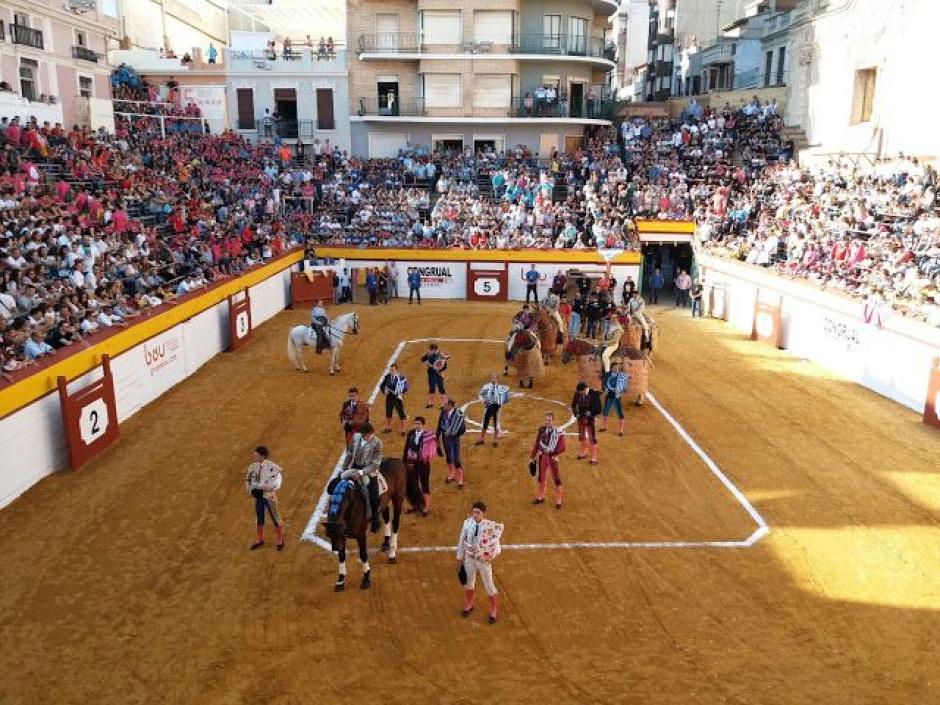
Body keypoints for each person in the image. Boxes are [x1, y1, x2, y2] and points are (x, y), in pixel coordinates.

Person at [456, 500, 503, 623]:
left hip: (483, 560)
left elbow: (496, 544)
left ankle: (493, 610)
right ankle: (469, 604)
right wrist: (459, 560)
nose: (475, 515)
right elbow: (461, 542)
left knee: (489, 585)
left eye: (478, 512)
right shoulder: (467, 524)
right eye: (474, 512)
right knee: (468, 583)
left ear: (483, 513)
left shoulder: (490, 527)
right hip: (470, 558)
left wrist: (493, 556)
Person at [339, 422, 383, 533]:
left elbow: (376, 464)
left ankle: (375, 520)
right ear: (362, 433)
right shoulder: (356, 437)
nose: (368, 437)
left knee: (374, 497)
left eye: (369, 435)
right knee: (340, 487)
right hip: (355, 466)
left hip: (369, 471)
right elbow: (349, 453)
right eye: (366, 435)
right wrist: (343, 468)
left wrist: (362, 472)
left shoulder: (377, 443)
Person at [244, 446, 284, 551]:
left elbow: (277, 481)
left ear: (262, 456)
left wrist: (268, 488)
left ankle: (279, 540)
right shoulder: (252, 467)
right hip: (259, 497)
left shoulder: (272, 467)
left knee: (275, 518)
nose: (254, 456)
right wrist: (251, 490)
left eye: (256, 455)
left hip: (269, 496)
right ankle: (260, 539)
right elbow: (248, 480)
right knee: (259, 518)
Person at [529, 411, 566, 508]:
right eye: (546, 420)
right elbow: (537, 443)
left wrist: (554, 453)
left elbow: (563, 447)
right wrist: (532, 457)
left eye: (549, 420)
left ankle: (558, 501)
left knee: (556, 478)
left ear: (553, 421)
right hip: (543, 456)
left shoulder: (558, 433)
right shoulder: (542, 430)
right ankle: (541, 497)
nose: (547, 422)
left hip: (552, 457)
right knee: (541, 476)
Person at [403, 415, 436, 516]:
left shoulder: (428, 436)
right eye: (415, 423)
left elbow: (430, 451)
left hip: (424, 464)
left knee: (425, 484)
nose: (417, 426)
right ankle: (416, 505)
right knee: (413, 484)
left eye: (419, 424)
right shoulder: (411, 434)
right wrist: (404, 461)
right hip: (412, 463)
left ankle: (425, 507)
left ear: (423, 425)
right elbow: (406, 448)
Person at [437, 397, 466, 488]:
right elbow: (439, 425)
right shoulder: (443, 412)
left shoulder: (458, 414)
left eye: (445, 404)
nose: (443, 406)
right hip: (445, 438)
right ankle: (452, 473)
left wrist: (454, 433)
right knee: (448, 457)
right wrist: (437, 436)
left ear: (450, 405)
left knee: (456, 459)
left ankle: (460, 478)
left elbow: (462, 428)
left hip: (454, 439)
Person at [475, 373, 509, 447]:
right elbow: (480, 395)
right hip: (488, 407)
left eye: (494, 378)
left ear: (497, 379)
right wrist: (484, 401)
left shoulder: (501, 388)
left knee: (496, 422)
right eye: (492, 378)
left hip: (497, 408)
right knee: (485, 421)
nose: (493, 379)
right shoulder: (486, 387)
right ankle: (482, 438)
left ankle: (495, 438)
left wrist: (500, 403)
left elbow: (505, 399)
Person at [571, 381, 600, 465]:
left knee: (592, 437)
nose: (579, 394)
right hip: (580, 418)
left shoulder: (593, 394)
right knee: (582, 436)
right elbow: (573, 405)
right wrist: (576, 414)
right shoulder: (577, 393)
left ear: (585, 389)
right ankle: (583, 452)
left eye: (581, 392)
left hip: (590, 419)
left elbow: (598, 408)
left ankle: (594, 457)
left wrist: (591, 412)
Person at [599, 361, 629, 436]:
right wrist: (605, 388)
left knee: (620, 413)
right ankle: (604, 427)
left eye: (617, 368)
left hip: (617, 397)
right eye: (615, 368)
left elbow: (624, 384)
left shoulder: (620, 375)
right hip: (609, 396)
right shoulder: (608, 375)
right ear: (611, 368)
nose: (616, 369)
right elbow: (604, 383)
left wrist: (623, 389)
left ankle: (621, 431)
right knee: (605, 412)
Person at [380, 363, 408, 435]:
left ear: (396, 370)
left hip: (397, 398)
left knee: (401, 413)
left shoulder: (401, 378)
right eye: (390, 370)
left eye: (392, 370)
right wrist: (384, 391)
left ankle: (403, 429)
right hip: (389, 397)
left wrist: (401, 392)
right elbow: (382, 385)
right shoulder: (387, 377)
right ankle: (388, 427)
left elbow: (405, 387)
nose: (391, 371)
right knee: (388, 412)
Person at [420, 343, 447, 408]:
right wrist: (427, 356)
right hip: (431, 374)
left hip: (439, 374)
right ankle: (430, 403)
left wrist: (439, 371)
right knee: (432, 388)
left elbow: (445, 366)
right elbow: (422, 359)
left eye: (432, 350)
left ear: (435, 350)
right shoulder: (429, 354)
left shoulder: (441, 355)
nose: (430, 351)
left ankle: (444, 404)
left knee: (441, 388)